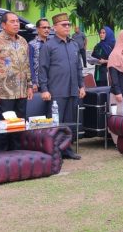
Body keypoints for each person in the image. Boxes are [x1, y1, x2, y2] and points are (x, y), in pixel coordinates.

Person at [38, 13, 85, 160]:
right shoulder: (48, 46)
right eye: (63, 25)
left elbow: (78, 68)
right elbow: (42, 69)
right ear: (55, 27)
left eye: (68, 24)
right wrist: (44, 89)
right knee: (55, 122)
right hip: (56, 90)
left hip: (72, 90)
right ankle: (54, 150)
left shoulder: (74, 44)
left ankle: (67, 149)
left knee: (69, 123)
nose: (67, 27)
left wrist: (82, 86)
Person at [0, 11, 32, 152]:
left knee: (19, 125)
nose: (16, 24)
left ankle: (17, 155)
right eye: (12, 21)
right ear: (3, 25)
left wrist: (29, 85)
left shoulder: (22, 41)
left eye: (17, 21)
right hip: (4, 92)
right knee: (4, 126)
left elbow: (26, 64)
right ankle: (2, 156)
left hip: (21, 91)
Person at [27, 18, 50, 91]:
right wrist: (33, 82)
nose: (47, 30)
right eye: (44, 27)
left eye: (48, 27)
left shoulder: (52, 43)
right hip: (38, 83)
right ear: (37, 29)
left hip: (52, 82)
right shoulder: (32, 44)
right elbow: (29, 65)